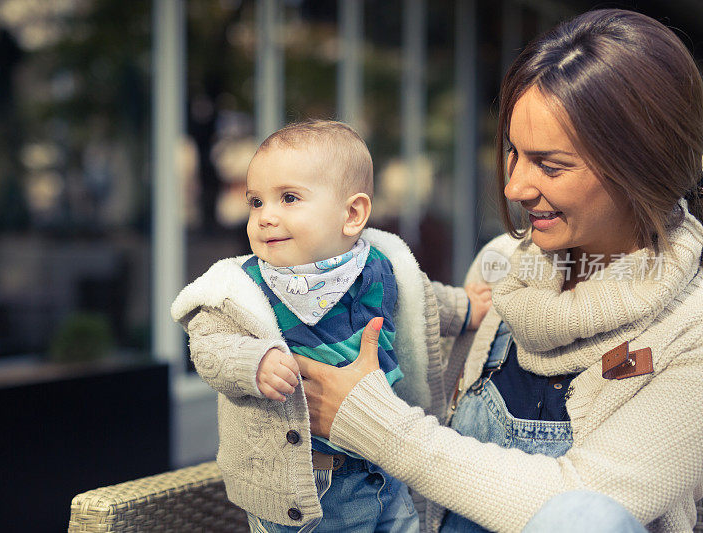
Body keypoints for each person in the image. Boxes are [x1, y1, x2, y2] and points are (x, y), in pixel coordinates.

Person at [294, 9, 703, 533]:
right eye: (514, 153)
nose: (514, 188)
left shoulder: (690, 331)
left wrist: (378, 427)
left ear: (642, 165)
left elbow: (577, 503)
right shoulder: (502, 264)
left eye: (550, 166)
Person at [171, 119, 492, 532]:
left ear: (352, 214)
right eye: (256, 202)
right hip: (305, 489)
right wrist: (254, 361)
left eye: (288, 198)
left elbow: (423, 304)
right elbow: (209, 347)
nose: (265, 216)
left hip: (383, 465)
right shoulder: (242, 287)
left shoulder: (380, 266)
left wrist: (466, 307)